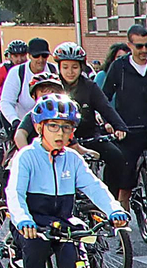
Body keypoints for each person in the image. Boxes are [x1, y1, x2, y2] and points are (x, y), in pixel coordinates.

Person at [6, 95, 129, 268]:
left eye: (66, 127)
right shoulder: (27, 156)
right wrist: (23, 219)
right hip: (33, 221)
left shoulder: (72, 158)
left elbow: (94, 186)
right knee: (36, 247)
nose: (60, 133)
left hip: (62, 219)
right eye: (53, 126)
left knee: (76, 259)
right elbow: (14, 193)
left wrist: (114, 209)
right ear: (39, 127)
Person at [50, 42, 133, 201]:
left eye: (74, 67)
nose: (70, 72)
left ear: (81, 67)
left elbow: (105, 107)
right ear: (59, 67)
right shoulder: (54, 86)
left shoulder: (90, 87)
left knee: (117, 156)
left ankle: (108, 200)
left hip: (88, 135)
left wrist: (119, 126)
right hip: (59, 138)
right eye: (65, 67)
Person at [100, 27, 147, 214]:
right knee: (125, 181)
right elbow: (104, 97)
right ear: (130, 45)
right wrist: (110, 122)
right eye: (139, 46)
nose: (144, 51)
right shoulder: (120, 67)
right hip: (127, 129)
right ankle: (123, 227)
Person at [0, 38, 52, 121]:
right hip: (23, 123)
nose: (40, 60)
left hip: (51, 124)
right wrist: (14, 120)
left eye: (44, 55)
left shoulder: (54, 70)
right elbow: (6, 102)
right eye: (36, 56)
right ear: (29, 55)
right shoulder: (17, 72)